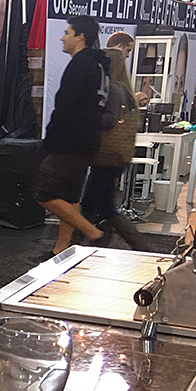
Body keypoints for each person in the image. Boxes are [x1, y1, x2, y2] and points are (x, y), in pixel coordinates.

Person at [33, 15, 112, 257]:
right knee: (69, 197)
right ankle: (61, 250)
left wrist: (51, 140)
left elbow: (66, 107)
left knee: (44, 194)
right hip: (87, 140)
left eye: (67, 32)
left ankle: (94, 233)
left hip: (69, 141)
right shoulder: (99, 66)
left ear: (80, 37)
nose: (62, 38)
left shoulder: (81, 64)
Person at [80, 33, 147, 250]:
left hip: (105, 156)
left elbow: (107, 120)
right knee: (95, 204)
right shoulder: (123, 88)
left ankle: (142, 248)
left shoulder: (112, 88)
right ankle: (82, 243)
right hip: (115, 155)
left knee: (100, 206)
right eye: (127, 51)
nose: (128, 56)